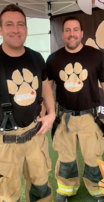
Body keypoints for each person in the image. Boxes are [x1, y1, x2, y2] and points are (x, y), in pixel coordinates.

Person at [0, 4, 55, 202]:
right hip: (3, 143)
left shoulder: (36, 57)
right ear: (0, 30)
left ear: (26, 28)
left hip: (35, 138)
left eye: (20, 24)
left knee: (41, 188)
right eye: (9, 24)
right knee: (7, 195)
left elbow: (46, 88)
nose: (15, 29)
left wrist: (51, 113)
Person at [46, 16, 104, 202]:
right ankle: (66, 189)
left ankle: (98, 191)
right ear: (62, 34)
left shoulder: (97, 56)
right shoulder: (53, 59)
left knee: (93, 157)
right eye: (68, 30)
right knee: (66, 158)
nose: (72, 34)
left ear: (81, 33)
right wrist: (47, 112)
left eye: (75, 30)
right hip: (65, 118)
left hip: (90, 117)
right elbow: (47, 88)